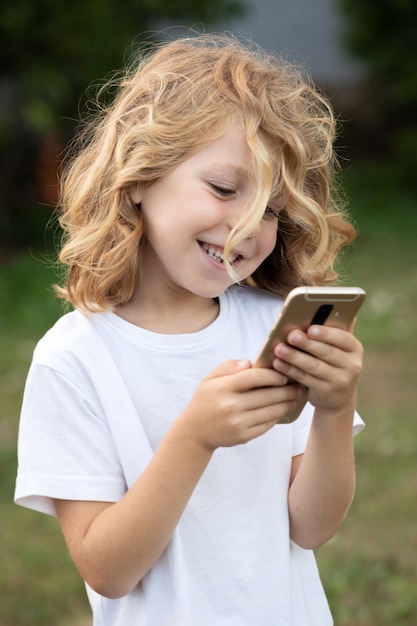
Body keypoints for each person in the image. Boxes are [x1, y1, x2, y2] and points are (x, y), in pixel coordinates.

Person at [15, 33, 365, 625]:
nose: (248, 226)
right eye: (225, 189)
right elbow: (108, 569)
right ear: (140, 176)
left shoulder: (272, 329)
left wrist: (333, 410)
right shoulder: (74, 359)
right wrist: (194, 437)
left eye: (273, 210)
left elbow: (311, 528)